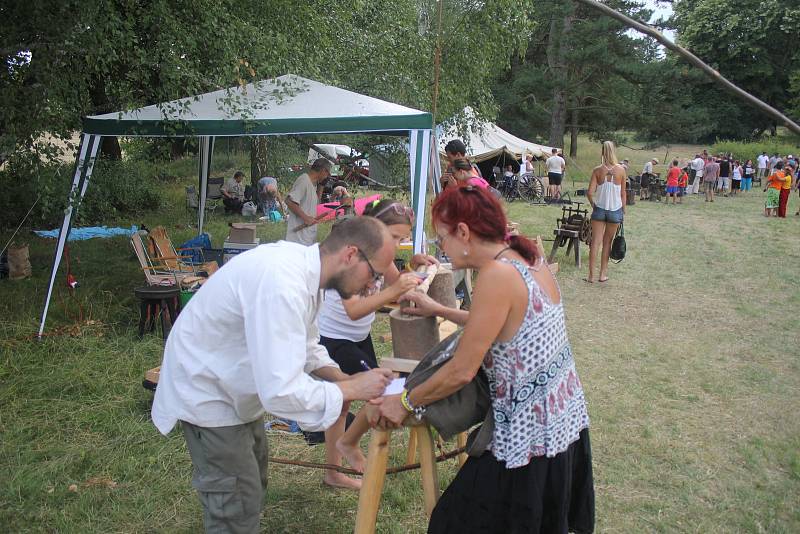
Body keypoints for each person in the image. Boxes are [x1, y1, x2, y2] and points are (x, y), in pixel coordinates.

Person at [369, 184, 595, 533]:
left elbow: (461, 371)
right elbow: (502, 325)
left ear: (463, 232)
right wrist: (440, 308)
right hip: (560, 422)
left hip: (528, 436)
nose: (440, 247)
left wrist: (405, 400)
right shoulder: (525, 256)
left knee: (451, 524)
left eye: (441, 237)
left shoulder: (497, 275)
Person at [151, 216, 397, 533]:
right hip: (207, 391)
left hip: (232, 382)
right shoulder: (284, 284)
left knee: (252, 479)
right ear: (350, 254)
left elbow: (308, 345)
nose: (374, 286)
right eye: (375, 274)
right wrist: (350, 390)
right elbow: (280, 391)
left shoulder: (309, 275)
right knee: (235, 503)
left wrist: (342, 378)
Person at [319, 199, 436, 489]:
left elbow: (397, 285)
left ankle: (334, 470)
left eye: (402, 239)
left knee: (344, 403)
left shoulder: (380, 257)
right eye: (395, 237)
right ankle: (347, 444)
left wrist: (414, 268)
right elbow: (355, 309)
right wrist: (396, 289)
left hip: (358, 336)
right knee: (383, 390)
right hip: (335, 338)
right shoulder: (351, 257)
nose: (396, 244)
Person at [586, 141, 627, 283]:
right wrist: (624, 210)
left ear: (602, 151)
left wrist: (594, 205)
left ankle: (591, 276)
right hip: (615, 210)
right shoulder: (621, 170)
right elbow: (623, 193)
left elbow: (590, 192)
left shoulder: (597, 170)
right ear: (614, 151)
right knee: (607, 243)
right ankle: (602, 275)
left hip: (599, 210)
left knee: (595, 242)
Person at [285, 158, 331, 245]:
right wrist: (306, 218)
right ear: (323, 170)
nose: (327, 176)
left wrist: (321, 186)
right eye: (328, 173)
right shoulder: (304, 180)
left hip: (306, 237)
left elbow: (315, 204)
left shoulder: (312, 184)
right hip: (298, 239)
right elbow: (289, 201)